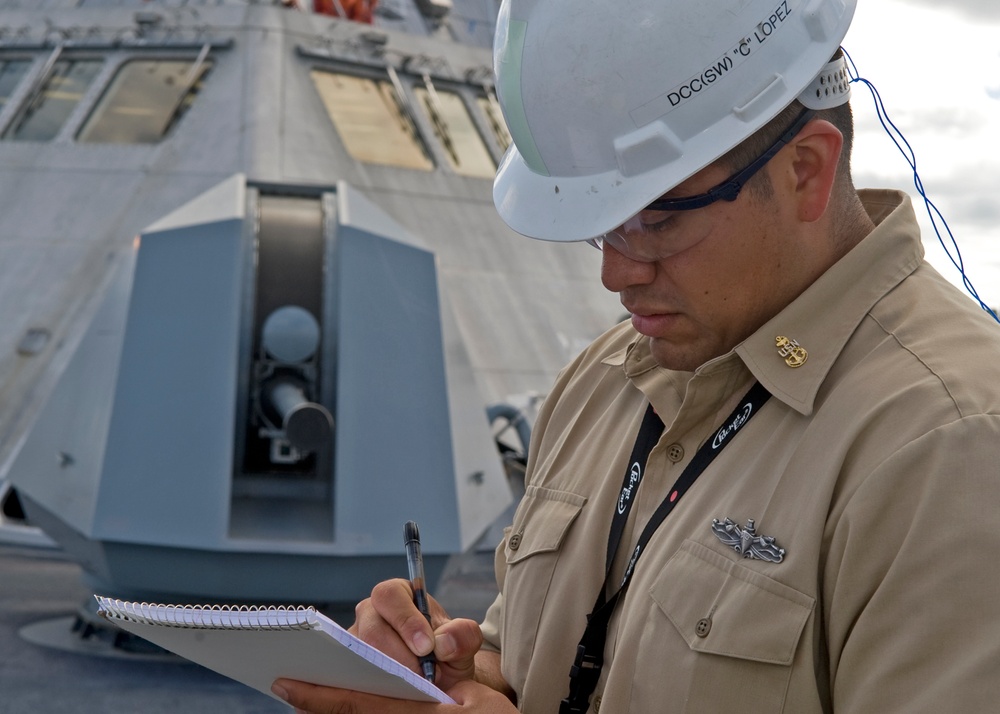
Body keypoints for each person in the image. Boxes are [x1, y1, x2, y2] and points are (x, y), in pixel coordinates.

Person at [273, 0, 1000, 711]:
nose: (616, 274)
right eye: (601, 230)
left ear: (804, 171)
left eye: (654, 220)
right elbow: (533, 671)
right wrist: (447, 671)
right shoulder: (606, 379)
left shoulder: (951, 448)